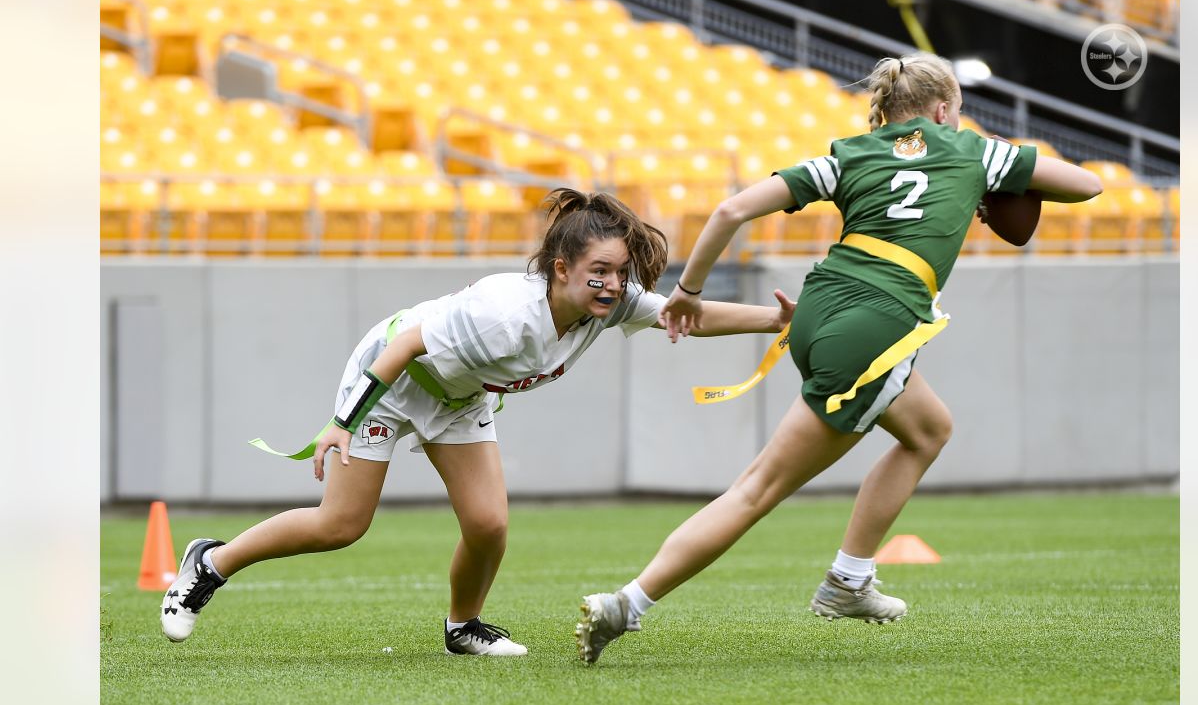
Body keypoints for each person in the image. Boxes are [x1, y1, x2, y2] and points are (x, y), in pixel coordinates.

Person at [575, 53, 1103, 663]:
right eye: (956, 113)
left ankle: (850, 580)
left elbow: (729, 211)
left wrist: (688, 293)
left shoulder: (851, 153)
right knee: (758, 489)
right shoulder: (976, 152)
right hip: (874, 325)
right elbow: (1088, 186)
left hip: (817, 306)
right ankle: (629, 604)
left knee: (929, 429)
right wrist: (991, 185)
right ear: (942, 110)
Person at [161, 188, 796, 656]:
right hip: (392, 381)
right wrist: (340, 421)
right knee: (341, 524)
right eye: (597, 272)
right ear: (560, 268)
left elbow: (686, 316)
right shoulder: (505, 313)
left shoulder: (612, 305)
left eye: (619, 273)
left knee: (489, 525)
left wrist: (777, 321)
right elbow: (406, 344)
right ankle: (209, 564)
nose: (611, 285)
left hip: (461, 395)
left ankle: (463, 627)